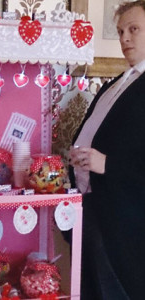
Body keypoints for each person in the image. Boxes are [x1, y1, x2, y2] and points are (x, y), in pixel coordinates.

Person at [68, 1, 145, 299]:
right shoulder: (115, 84)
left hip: (128, 225)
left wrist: (107, 165)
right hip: (94, 208)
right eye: (121, 31)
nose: (124, 38)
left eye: (134, 29)